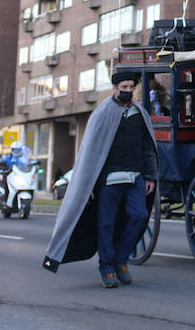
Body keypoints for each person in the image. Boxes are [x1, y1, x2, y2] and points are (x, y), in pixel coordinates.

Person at [43, 69, 159, 288]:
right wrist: (89, 184)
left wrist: (151, 175)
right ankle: (106, 268)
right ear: (114, 88)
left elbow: (147, 147)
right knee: (105, 223)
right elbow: (90, 152)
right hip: (108, 180)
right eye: (123, 88)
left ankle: (121, 259)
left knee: (139, 216)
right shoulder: (102, 113)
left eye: (130, 88)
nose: (127, 91)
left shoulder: (139, 112)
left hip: (135, 176)